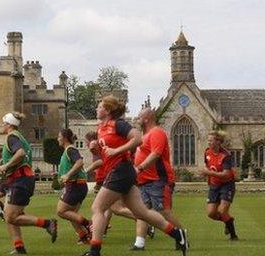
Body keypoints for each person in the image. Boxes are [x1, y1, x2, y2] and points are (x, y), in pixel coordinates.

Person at [82, 96, 187, 256]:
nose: (97, 108)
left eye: (100, 106)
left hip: (120, 171)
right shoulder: (101, 128)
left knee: (97, 208)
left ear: (108, 110)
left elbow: (137, 138)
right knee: (141, 213)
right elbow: (106, 154)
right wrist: (95, 149)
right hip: (121, 172)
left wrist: (117, 151)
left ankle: (94, 251)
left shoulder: (118, 124)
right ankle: (177, 234)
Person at [0, 112, 57, 255]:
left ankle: (48, 224)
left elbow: (20, 153)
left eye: (3, 122)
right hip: (19, 180)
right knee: (8, 215)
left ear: (10, 124)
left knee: (11, 216)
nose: (2, 125)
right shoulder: (19, 137)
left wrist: (5, 166)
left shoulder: (12, 137)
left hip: (20, 180)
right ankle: (19, 247)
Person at [131, 108, 183, 250]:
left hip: (159, 179)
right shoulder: (145, 135)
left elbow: (155, 154)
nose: (137, 119)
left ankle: (182, 237)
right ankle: (139, 244)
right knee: (142, 211)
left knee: (164, 211)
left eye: (139, 117)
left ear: (146, 118)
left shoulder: (157, 132)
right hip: (144, 181)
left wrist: (139, 168)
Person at [200, 130, 238, 241]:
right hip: (214, 185)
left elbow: (226, 175)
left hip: (227, 184)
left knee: (222, 211)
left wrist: (209, 173)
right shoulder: (207, 152)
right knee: (211, 213)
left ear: (218, 142)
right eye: (208, 140)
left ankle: (233, 236)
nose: (209, 143)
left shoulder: (226, 155)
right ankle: (229, 220)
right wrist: (207, 174)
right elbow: (208, 166)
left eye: (211, 140)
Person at [56, 129, 91, 244]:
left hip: (75, 186)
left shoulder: (70, 149)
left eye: (59, 136)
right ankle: (84, 237)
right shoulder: (67, 150)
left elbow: (79, 162)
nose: (58, 139)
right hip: (78, 186)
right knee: (72, 215)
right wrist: (61, 175)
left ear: (65, 138)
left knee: (61, 211)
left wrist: (68, 175)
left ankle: (89, 224)